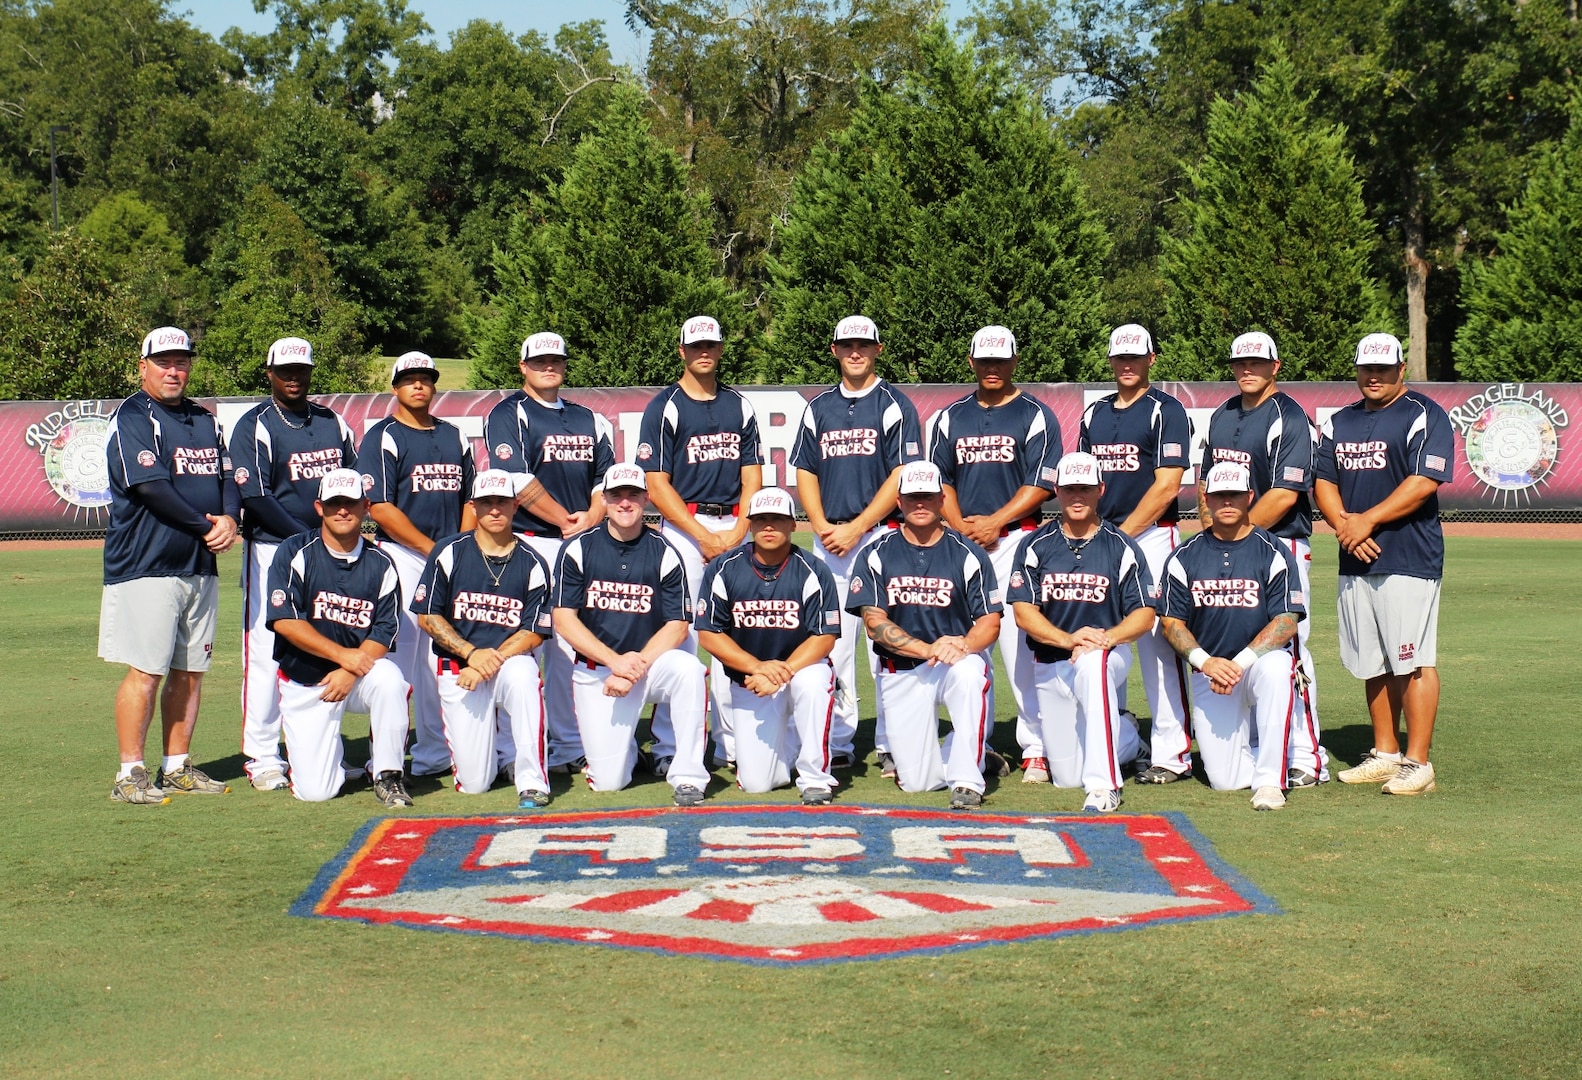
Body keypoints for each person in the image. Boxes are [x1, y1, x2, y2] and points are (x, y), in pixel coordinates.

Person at [101, 326, 239, 804]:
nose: (173, 370)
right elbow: (150, 487)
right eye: (163, 362)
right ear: (143, 366)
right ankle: (128, 773)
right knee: (147, 669)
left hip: (198, 565)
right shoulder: (133, 416)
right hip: (147, 562)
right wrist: (207, 527)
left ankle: (177, 765)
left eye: (181, 361)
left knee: (190, 669)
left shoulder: (204, 419)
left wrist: (230, 519)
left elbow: (228, 478)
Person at [1314, 333, 1454, 796]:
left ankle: (1418, 762)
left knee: (1412, 660)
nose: (1374, 376)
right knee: (1371, 659)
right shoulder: (1340, 422)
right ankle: (1386, 753)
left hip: (1408, 555)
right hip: (1355, 557)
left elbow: (1424, 482)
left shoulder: (1424, 415)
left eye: (1384, 369)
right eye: (1365, 369)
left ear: (1401, 370)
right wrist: (1344, 527)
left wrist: (1366, 522)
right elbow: (1324, 481)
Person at [927, 325, 1060, 783]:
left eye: (1000, 360)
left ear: (1014, 362)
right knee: (968, 644)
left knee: (1020, 646)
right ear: (970, 363)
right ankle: (974, 742)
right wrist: (961, 524)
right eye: (984, 360)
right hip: (963, 541)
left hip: (1017, 541)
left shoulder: (1034, 414)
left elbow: (1042, 482)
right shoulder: (950, 417)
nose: (992, 368)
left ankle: (1036, 746)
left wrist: (995, 522)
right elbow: (939, 478)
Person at [790, 314, 923, 771]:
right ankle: (839, 739)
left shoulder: (894, 404)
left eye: (863, 345)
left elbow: (902, 475)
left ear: (877, 350)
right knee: (832, 643)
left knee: (885, 644)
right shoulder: (818, 407)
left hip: (882, 538)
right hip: (829, 538)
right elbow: (805, 469)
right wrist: (822, 523)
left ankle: (891, 741)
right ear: (833, 350)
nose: (854, 352)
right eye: (846, 344)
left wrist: (859, 526)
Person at [230, 336, 358, 791]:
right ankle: (262, 755)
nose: (293, 377)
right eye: (284, 369)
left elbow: (354, 483)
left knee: (327, 641)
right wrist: (307, 539)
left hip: (330, 550)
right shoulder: (255, 424)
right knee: (267, 651)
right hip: (274, 549)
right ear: (269, 372)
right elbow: (255, 496)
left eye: (300, 369)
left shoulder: (332, 422)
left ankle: (325, 750)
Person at [484, 330, 615, 777]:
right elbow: (515, 480)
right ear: (522, 366)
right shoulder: (508, 413)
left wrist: (589, 520)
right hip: (528, 542)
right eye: (538, 360)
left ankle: (566, 742)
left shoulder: (589, 419)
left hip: (580, 542)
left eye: (555, 359)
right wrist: (565, 519)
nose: (548, 366)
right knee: (520, 645)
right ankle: (510, 750)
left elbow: (606, 482)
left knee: (570, 645)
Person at [636, 315, 763, 770]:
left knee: (736, 632)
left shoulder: (739, 406)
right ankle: (672, 746)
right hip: (686, 531)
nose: (704, 351)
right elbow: (656, 482)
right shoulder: (665, 406)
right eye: (696, 345)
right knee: (682, 637)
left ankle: (732, 743)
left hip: (733, 527)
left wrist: (738, 530)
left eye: (711, 344)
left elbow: (752, 476)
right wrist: (703, 536)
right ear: (682, 351)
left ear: (720, 348)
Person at [1203, 331, 1326, 785]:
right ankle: (1262, 746)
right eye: (1240, 362)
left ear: (1276, 366)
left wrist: (1234, 535)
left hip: (1282, 544)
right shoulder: (1222, 414)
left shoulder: (1289, 417)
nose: (1247, 368)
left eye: (1257, 361)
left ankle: (1306, 756)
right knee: (1240, 642)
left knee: (1288, 647)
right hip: (1232, 543)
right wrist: (1215, 535)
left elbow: (1284, 492)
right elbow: (1207, 484)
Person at [552, 463, 711, 805]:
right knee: (609, 782)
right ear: (605, 500)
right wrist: (615, 663)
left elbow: (677, 625)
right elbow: (564, 620)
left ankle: (689, 776)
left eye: (633, 495)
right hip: (598, 671)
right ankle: (632, 754)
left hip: (649, 667)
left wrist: (632, 667)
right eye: (617, 495)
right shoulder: (578, 548)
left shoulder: (666, 550)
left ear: (647, 499)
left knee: (689, 670)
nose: (625, 503)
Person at [847, 461, 1002, 809]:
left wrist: (963, 644)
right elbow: (874, 622)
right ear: (898, 501)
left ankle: (967, 780)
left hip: (953, 662)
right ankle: (961, 749)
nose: (920, 504)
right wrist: (927, 648)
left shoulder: (967, 553)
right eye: (913, 497)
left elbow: (990, 623)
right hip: (903, 667)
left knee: (970, 672)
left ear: (941, 500)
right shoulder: (876, 552)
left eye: (928, 497)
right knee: (918, 784)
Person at [1007, 453, 1154, 813]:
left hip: (1106, 654)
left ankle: (1105, 786)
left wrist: (1105, 639)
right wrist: (1069, 639)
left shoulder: (1121, 545)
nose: (1077, 496)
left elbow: (1144, 614)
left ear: (1100, 489)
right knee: (1067, 776)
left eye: (1085, 488)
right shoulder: (1034, 545)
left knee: (1092, 664)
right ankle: (1129, 736)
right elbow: (1024, 613)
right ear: (1056, 490)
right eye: (1070, 488)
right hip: (1051, 660)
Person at [1079, 324, 1194, 784]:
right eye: (1119, 357)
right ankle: (1121, 740)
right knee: (1107, 642)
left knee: (1157, 646)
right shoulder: (1094, 414)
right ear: (1110, 361)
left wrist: (1121, 536)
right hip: (1105, 537)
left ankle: (1172, 753)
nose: (1126, 363)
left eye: (1135, 356)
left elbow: (1167, 486)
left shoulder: (1166, 410)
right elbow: (1085, 479)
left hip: (1149, 539)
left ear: (1152, 358)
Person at [1157, 462, 1306, 811]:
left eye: (1235, 495)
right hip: (1210, 672)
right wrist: (1207, 663)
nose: (1227, 502)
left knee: (1279, 668)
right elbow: (1171, 624)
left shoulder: (1272, 551)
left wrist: (1237, 664)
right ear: (1205, 499)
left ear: (1250, 497)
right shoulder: (1184, 556)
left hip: (1254, 664)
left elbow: (1286, 623)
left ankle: (1271, 780)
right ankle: (1268, 751)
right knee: (1226, 781)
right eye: (1219, 495)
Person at [360, 351, 476, 779]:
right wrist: (435, 550)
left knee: (442, 656)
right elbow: (380, 508)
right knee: (400, 659)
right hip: (403, 556)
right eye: (409, 379)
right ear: (395, 388)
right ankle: (385, 757)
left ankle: (433, 752)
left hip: (448, 556)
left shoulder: (454, 436)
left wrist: (461, 547)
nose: (418, 385)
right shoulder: (383, 436)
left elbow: (471, 499)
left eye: (425, 378)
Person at [266, 469, 411, 806]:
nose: (342, 510)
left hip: (357, 676)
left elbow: (385, 629)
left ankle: (388, 775)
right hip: (307, 681)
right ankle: (332, 763)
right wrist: (343, 657)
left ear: (365, 506)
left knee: (391, 680)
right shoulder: (295, 552)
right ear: (319, 507)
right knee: (317, 792)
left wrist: (350, 670)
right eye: (334, 503)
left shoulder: (382, 562)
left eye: (350, 502)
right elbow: (285, 620)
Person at [413, 470, 555, 807]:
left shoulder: (533, 560)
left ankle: (532, 781)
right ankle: (496, 753)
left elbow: (534, 631)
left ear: (515, 505)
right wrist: (471, 654)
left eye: (502, 502)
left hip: (506, 664)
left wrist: (486, 663)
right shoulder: (449, 551)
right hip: (459, 670)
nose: (494, 510)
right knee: (475, 783)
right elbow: (427, 615)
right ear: (473, 506)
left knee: (524, 676)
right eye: (486, 502)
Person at [696, 488, 842, 804]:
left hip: (800, 670)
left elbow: (825, 637)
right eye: (761, 519)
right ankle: (787, 740)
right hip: (751, 681)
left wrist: (781, 671)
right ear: (749, 524)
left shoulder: (814, 570)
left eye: (777, 519)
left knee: (815, 681)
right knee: (757, 783)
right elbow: (709, 634)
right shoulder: (723, 568)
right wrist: (757, 667)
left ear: (793, 523)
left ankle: (815, 778)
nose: (769, 527)